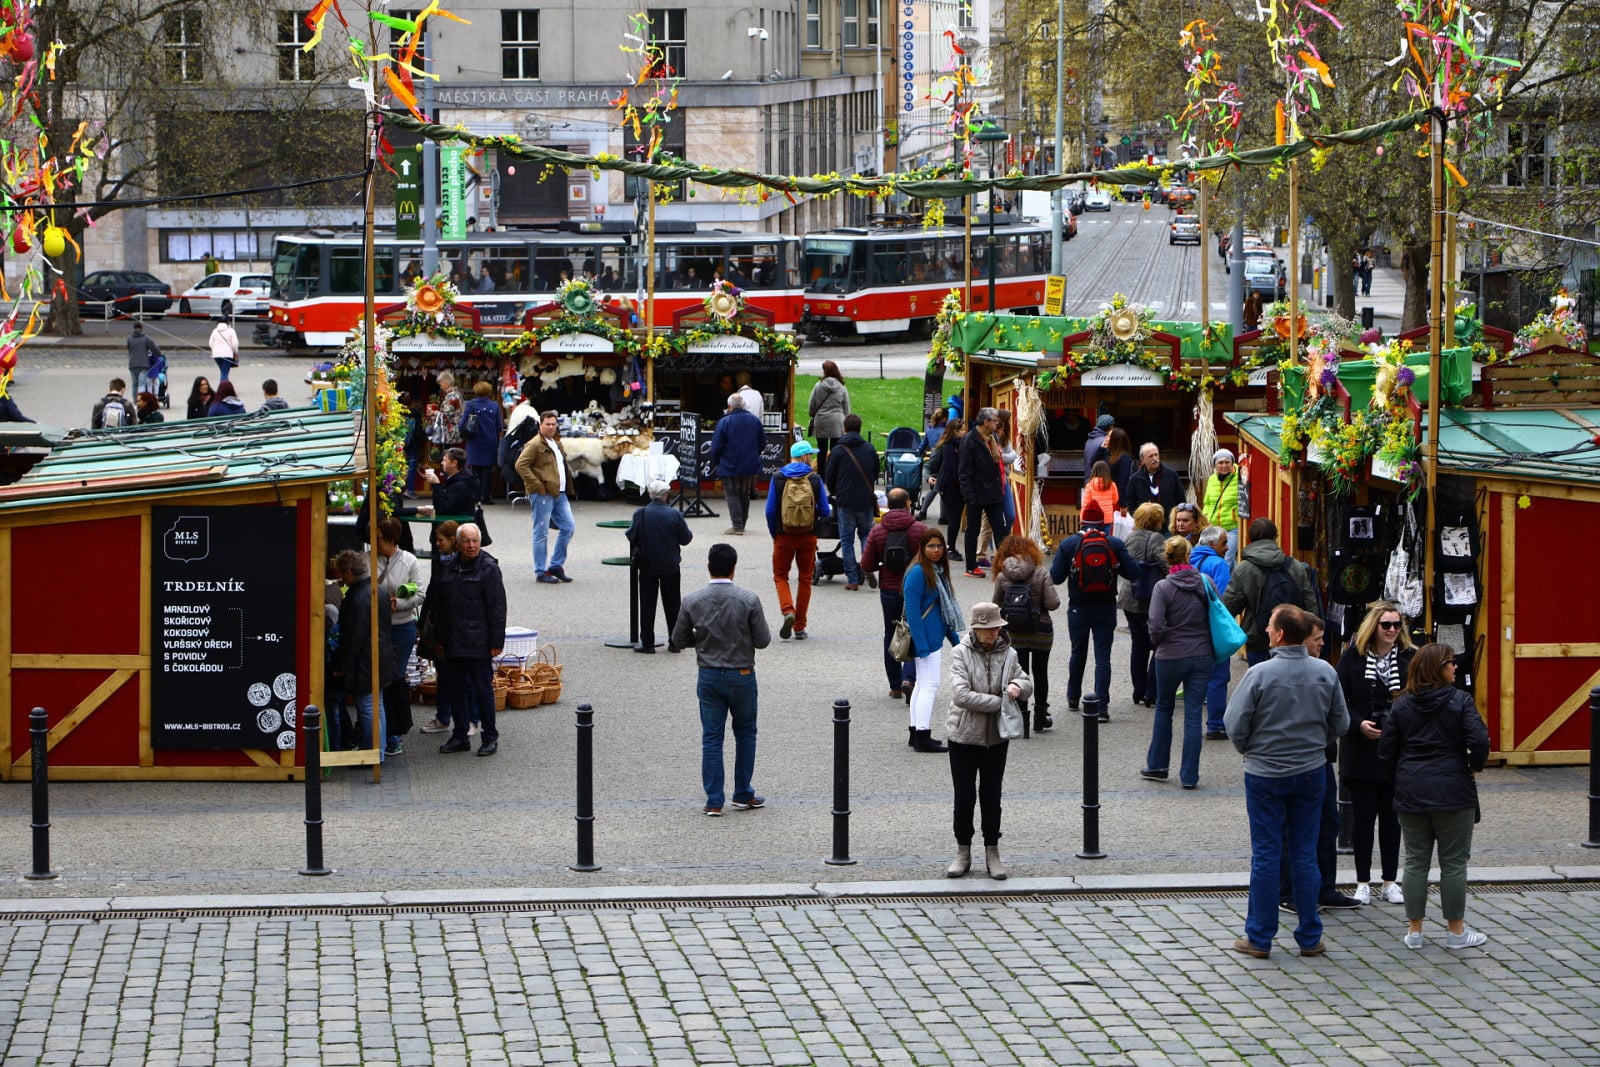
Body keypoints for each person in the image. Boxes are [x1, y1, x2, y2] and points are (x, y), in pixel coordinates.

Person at [1224, 605, 1350, 959]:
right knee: (1304, 852)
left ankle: (1259, 937)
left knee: (1266, 854)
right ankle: (1309, 935)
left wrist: (1253, 749)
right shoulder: (1324, 672)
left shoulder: (1260, 674)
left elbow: (1234, 724)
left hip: (1265, 773)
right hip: (1310, 771)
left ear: (1279, 635)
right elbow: (1340, 722)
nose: (1265, 630)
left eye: (1268, 626)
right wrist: (1314, 742)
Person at [1378, 642, 1491, 950]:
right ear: (1439, 668)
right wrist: (1473, 766)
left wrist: (1402, 773)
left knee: (1415, 861)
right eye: (1451, 663)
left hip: (1412, 789)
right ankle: (1456, 932)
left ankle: (1415, 931)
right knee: (1453, 863)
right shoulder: (1460, 701)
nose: (1456, 667)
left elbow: (1386, 750)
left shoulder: (1401, 704)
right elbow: (1480, 740)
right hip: (1453, 790)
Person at [671, 543, 773, 816]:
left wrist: (702, 640)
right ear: (734, 568)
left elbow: (678, 639)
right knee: (746, 733)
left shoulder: (692, 600)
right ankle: (743, 793)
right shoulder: (748, 599)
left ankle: (714, 800)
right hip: (742, 673)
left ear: (708, 566)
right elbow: (762, 640)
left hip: (709, 673)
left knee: (712, 738)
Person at [943, 601, 1033, 881]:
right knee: (964, 797)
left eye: (996, 627)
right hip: (963, 736)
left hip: (996, 737)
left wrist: (1018, 687)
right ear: (976, 629)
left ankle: (992, 852)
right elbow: (961, 695)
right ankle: (963, 851)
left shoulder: (1009, 653)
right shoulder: (960, 653)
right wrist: (1001, 702)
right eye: (988, 629)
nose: (994, 632)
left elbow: (1025, 681)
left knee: (992, 797)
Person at [1338, 601, 1416, 906]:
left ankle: (1389, 880)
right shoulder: (1352, 658)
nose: (1393, 630)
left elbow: (1417, 698)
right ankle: (1362, 881)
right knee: (1362, 820)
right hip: (1360, 749)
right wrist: (1358, 724)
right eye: (1386, 625)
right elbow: (1338, 699)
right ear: (1374, 626)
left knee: (1392, 819)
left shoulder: (1409, 658)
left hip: (1395, 749)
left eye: (1397, 625)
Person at [1049, 500, 1145, 721]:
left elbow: (1056, 577)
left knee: (1077, 652)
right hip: (1106, 607)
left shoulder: (1069, 543)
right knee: (1103, 657)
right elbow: (1134, 573)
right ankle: (1101, 706)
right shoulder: (1114, 543)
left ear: (1081, 521)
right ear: (1103, 523)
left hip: (1078, 607)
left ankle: (1073, 697)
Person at [1143, 536, 1216, 790]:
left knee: (1164, 707)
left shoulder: (1162, 588)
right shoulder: (1205, 582)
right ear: (1189, 556)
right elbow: (1216, 614)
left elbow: (1155, 624)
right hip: (1201, 654)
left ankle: (1158, 765)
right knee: (1194, 714)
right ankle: (1190, 776)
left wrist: (1160, 642)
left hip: (1170, 655)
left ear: (1167, 558)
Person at [432, 523, 506, 756]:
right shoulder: (448, 566)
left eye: (475, 541)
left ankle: (490, 737)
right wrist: (438, 638)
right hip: (453, 641)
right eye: (466, 541)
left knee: (482, 691)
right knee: (455, 690)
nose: (471, 545)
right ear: (458, 542)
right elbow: (440, 606)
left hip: (478, 642)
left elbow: (497, 607)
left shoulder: (489, 568)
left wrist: (496, 642)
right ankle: (460, 735)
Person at [861, 487, 929, 702]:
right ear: (908, 503)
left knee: (891, 633)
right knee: (914, 630)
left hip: (889, 590)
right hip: (915, 589)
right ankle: (910, 678)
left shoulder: (878, 530)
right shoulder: (920, 530)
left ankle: (895, 685)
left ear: (887, 505)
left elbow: (867, 563)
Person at [1223, 517, 1321, 666]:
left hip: (1259, 640)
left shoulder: (1244, 569)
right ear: (1275, 537)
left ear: (1250, 539)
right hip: (1295, 639)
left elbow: (1229, 607)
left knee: (1263, 685)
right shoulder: (1294, 565)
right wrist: (1310, 634)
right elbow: (1310, 602)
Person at [332, 549, 398, 761]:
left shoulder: (357, 598)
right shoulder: (377, 590)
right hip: (381, 654)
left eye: (342, 574)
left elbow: (352, 637)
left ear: (349, 573)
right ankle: (378, 750)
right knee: (377, 706)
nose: (341, 578)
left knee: (368, 706)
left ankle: (372, 752)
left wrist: (342, 666)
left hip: (365, 660)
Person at [902, 529, 963, 753]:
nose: (936, 550)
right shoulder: (919, 573)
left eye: (939, 546)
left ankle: (916, 731)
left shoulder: (936, 571)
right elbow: (913, 612)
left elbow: (942, 613)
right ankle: (922, 736)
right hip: (926, 642)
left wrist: (956, 641)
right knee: (929, 686)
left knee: (921, 685)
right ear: (922, 548)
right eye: (931, 546)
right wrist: (922, 645)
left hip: (931, 639)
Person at [991, 534, 1060, 732]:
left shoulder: (1003, 576)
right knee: (1041, 672)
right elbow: (1053, 604)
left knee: (1019, 674)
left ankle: (1022, 717)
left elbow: (995, 605)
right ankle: (1040, 717)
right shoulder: (1041, 572)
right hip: (1041, 630)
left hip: (1014, 633)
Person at [766, 440, 831, 640]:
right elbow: (826, 510)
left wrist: (774, 533)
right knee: (805, 578)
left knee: (780, 576)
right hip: (808, 535)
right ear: (804, 457)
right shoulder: (814, 479)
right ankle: (800, 627)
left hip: (783, 535)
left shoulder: (778, 478)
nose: (812, 458)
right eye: (810, 455)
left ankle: (788, 611)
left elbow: (770, 510)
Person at [375, 518, 425, 757]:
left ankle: (393, 733)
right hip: (376, 627)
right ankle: (381, 730)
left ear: (390, 539)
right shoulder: (368, 560)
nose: (374, 540)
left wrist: (400, 603)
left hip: (402, 627)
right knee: (379, 678)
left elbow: (419, 592)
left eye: (378, 537)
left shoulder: (409, 561)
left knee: (394, 677)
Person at [626, 479, 694, 654]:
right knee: (673, 604)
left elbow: (631, 535)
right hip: (670, 565)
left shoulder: (640, 513)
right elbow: (685, 539)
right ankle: (675, 641)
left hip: (647, 564)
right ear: (665, 495)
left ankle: (647, 642)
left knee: (647, 604)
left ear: (650, 494)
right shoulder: (675, 515)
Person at [514, 410, 578, 584]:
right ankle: (541, 571)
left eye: (553, 424)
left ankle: (556, 565)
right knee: (541, 532)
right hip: (543, 493)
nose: (551, 427)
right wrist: (537, 486)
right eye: (547, 424)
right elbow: (520, 465)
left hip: (560, 492)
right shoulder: (534, 444)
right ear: (540, 425)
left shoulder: (556, 442)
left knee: (568, 527)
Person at [1118, 502, 1168, 709]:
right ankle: (1151, 691)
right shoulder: (1157, 538)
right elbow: (1165, 564)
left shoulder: (1130, 537)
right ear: (1157, 520)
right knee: (1158, 645)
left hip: (1130, 596)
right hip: (1150, 598)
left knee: (1138, 644)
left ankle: (1138, 690)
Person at [824, 413, 879, 590]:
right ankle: (867, 565)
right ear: (860, 428)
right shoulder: (869, 449)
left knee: (847, 540)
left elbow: (829, 475)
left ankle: (853, 579)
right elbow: (875, 473)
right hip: (865, 500)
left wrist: (834, 492)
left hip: (845, 500)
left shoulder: (838, 450)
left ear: (844, 429)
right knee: (865, 536)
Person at [417, 521, 462, 736]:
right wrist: (422, 621)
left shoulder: (464, 562)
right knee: (443, 674)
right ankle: (443, 717)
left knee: (463, 676)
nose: (437, 544)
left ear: (453, 540)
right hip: (440, 626)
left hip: (460, 628)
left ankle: (469, 719)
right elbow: (431, 591)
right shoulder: (439, 561)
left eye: (440, 540)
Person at [1190, 526, 1234, 738]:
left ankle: (1193, 722)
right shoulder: (1218, 564)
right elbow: (1222, 600)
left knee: (1196, 677)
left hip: (1190, 627)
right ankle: (1215, 724)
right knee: (1218, 676)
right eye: (1223, 543)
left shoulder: (1190, 560)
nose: (1226, 547)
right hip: (1212, 627)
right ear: (1211, 545)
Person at [959, 407, 1006, 577]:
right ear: (986, 422)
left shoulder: (992, 438)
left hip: (993, 492)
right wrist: (969, 496)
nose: (996, 423)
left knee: (1000, 528)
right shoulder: (969, 441)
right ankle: (971, 566)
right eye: (994, 420)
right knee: (973, 529)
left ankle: (1004, 564)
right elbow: (963, 471)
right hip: (976, 493)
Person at [710, 392, 764, 535]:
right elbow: (762, 443)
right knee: (744, 493)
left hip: (729, 463)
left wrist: (715, 462)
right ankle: (742, 523)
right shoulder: (754, 420)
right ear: (744, 405)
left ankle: (737, 525)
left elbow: (716, 446)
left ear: (729, 406)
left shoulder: (724, 422)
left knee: (732, 493)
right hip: (749, 463)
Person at [461, 381, 504, 505]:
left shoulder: (470, 404)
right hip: (490, 440)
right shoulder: (495, 405)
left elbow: (462, 424)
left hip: (474, 440)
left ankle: (475, 496)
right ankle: (486, 496)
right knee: (487, 470)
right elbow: (499, 426)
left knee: (474, 469)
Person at [1125, 443, 1185, 528]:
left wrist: (1176, 519)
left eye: (1156, 455)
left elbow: (1181, 499)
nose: (1155, 458)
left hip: (1168, 526)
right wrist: (1139, 517)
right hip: (1145, 526)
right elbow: (1130, 502)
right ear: (1143, 459)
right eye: (1151, 456)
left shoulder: (1171, 475)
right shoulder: (1135, 479)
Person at [808, 360, 851, 470]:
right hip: (837, 421)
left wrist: (812, 414)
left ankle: (822, 474)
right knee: (835, 450)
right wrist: (846, 420)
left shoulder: (818, 386)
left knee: (821, 449)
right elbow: (846, 406)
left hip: (821, 419)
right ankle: (833, 473)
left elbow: (812, 403)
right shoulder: (841, 386)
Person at [934, 418, 966, 559]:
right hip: (950, 486)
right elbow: (936, 464)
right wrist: (930, 477)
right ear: (955, 431)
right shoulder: (946, 446)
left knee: (955, 517)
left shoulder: (960, 445)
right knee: (954, 517)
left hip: (956, 486)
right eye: (962, 430)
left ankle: (951, 547)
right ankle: (950, 547)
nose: (964, 432)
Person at [1201, 449, 1242, 560]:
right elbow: (1208, 503)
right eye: (1220, 462)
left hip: (1232, 527)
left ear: (1232, 463)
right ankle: (1233, 577)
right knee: (1224, 558)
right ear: (1215, 465)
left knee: (1227, 558)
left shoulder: (1240, 477)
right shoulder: (1212, 479)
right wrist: (1206, 517)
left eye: (1227, 462)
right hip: (1215, 527)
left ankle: (1219, 578)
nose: (1224, 465)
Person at [422, 447, 479, 519]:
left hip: (456, 525)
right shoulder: (457, 477)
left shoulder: (462, 485)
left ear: (454, 463)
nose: (442, 463)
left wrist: (436, 484)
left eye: (444, 460)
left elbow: (442, 509)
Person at [433, 371, 465, 450]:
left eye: (441, 384)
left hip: (451, 433)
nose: (440, 387)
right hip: (454, 431)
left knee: (450, 455)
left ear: (446, 383)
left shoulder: (452, 396)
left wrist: (434, 412)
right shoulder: (456, 394)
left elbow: (447, 415)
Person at [1103, 427, 1134, 503]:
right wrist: (1101, 448)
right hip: (1107, 496)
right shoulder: (1108, 454)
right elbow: (1093, 462)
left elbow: (1123, 482)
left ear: (1115, 440)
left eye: (1109, 436)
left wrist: (1122, 504)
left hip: (1117, 499)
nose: (1106, 438)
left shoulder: (1124, 457)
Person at [126, 323, 158, 396]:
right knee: (142, 384)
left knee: (134, 384)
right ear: (142, 328)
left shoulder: (129, 338)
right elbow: (154, 348)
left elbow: (128, 348)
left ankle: (135, 403)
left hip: (132, 364)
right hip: (143, 364)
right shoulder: (146, 338)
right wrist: (159, 354)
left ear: (134, 328)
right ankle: (141, 401)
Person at [1082, 413, 1114, 480]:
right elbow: (1106, 465)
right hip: (1099, 484)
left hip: (1088, 481)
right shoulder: (1105, 442)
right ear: (1111, 427)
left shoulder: (1088, 441)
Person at [209, 317, 240, 383]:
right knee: (224, 373)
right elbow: (235, 344)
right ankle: (223, 388)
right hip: (227, 354)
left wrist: (214, 349)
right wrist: (236, 352)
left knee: (223, 372)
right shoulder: (231, 331)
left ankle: (227, 386)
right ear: (227, 323)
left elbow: (210, 343)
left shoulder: (215, 331)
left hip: (216, 355)